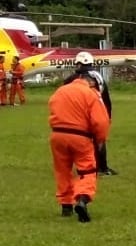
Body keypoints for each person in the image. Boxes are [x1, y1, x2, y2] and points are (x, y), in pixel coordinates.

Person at [48, 71, 110, 222]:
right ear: (94, 82)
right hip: (80, 137)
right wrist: (100, 140)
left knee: (62, 170)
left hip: (57, 135)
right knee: (87, 170)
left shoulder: (60, 91)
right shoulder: (91, 94)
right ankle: (82, 199)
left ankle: (66, 205)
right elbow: (101, 121)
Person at [63, 52, 117, 175]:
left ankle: (84, 167)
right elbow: (105, 97)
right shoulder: (98, 77)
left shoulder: (71, 79)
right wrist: (107, 115)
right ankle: (102, 168)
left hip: (77, 115)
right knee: (99, 140)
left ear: (78, 63)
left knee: (81, 140)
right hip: (97, 112)